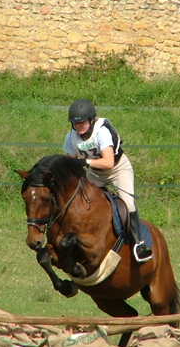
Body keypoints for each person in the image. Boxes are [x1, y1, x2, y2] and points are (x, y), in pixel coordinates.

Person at [63, 99, 152, 263]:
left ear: (91, 120)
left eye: (82, 123)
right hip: (95, 174)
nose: (79, 127)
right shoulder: (70, 138)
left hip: (118, 169)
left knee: (128, 204)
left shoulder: (102, 132)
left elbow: (108, 162)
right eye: (75, 124)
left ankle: (139, 244)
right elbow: (70, 162)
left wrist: (84, 162)